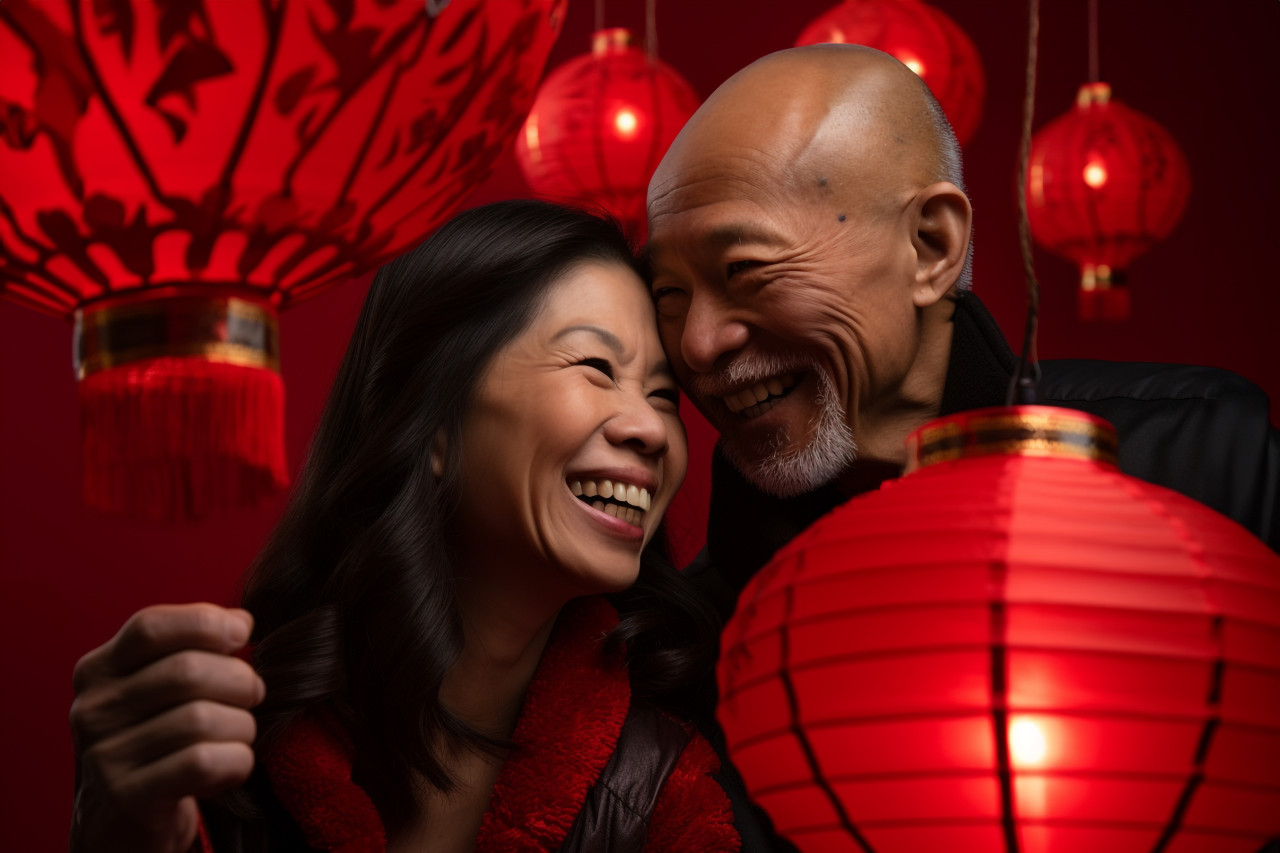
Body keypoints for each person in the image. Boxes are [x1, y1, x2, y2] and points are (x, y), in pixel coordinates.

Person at [643, 43, 1280, 853]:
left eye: (747, 271)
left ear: (931, 247)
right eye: (669, 295)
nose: (698, 344)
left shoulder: (1202, 469)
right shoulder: (692, 642)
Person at [67, 200, 742, 852]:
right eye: (597, 367)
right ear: (436, 426)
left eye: (662, 395)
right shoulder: (220, 748)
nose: (653, 428)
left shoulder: (667, 797)